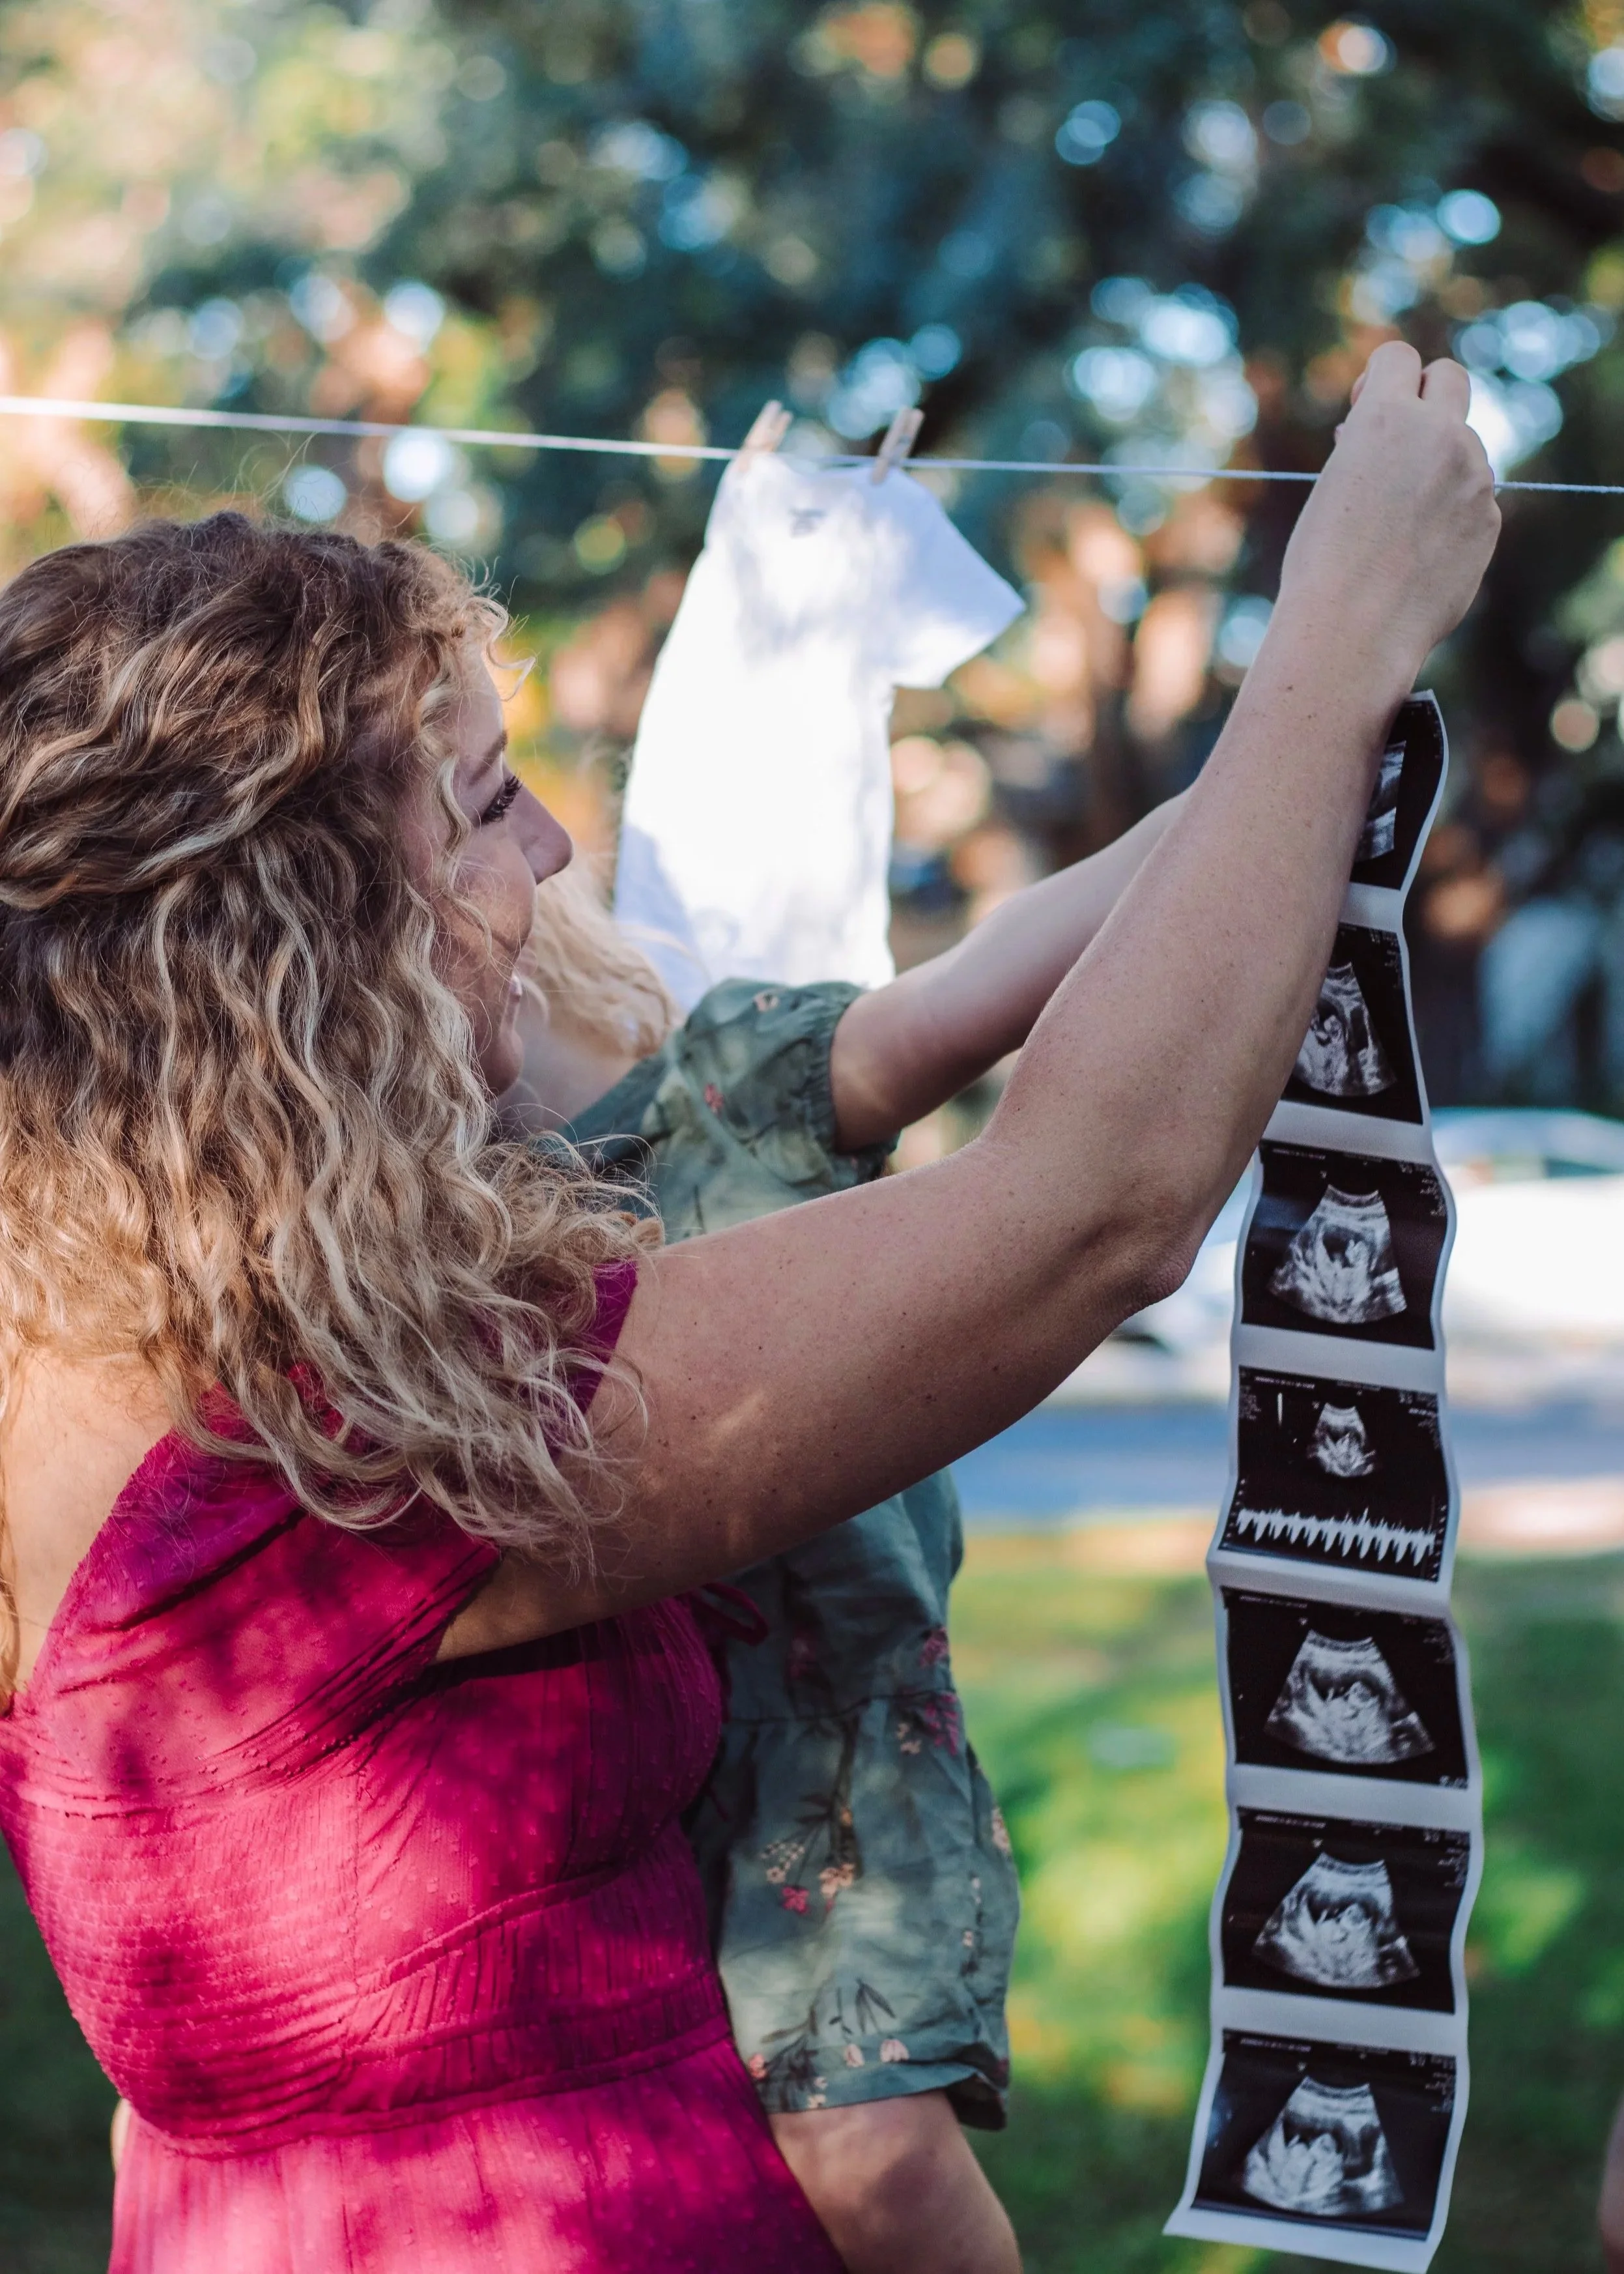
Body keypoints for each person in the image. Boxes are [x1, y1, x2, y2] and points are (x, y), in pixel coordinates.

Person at [0, 341, 1495, 2274]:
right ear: (291, 941)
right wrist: (1332, 640)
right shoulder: (317, 1460)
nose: (546, 854)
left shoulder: (124, 1351)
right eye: (480, 807)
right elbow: (1082, 1218)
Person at [498, 792, 1188, 2274]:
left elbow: (982, 984)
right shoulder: (433, 1227)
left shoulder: (731, 1091)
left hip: (824, 1760)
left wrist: (1255, 780)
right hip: (612, 1788)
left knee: (865, 2152)